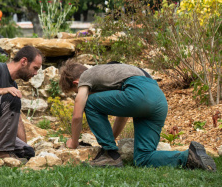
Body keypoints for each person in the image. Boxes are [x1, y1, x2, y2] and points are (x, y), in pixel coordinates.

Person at [59, 60, 217, 171]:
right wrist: (110, 139)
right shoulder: (113, 73)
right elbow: (124, 114)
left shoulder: (87, 76)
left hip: (138, 94)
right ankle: (189, 156)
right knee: (143, 158)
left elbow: (77, 116)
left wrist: (73, 142)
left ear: (76, 83)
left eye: (76, 92)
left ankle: (110, 156)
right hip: (159, 101)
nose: (79, 94)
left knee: (90, 102)